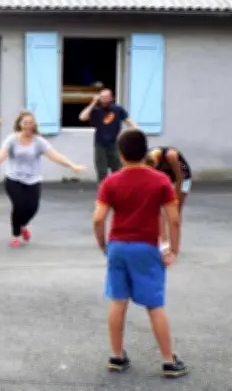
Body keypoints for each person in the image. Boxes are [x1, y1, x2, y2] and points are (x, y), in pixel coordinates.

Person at [92, 129, 187, 378]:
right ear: (145, 152)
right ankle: (168, 360)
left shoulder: (111, 182)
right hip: (146, 247)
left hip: (119, 246)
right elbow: (174, 220)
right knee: (155, 305)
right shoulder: (160, 181)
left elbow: (99, 218)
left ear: (120, 154)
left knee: (118, 301)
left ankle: (117, 356)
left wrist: (103, 244)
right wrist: (173, 250)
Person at [0, 111, 86, 247]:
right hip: (14, 178)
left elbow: (54, 155)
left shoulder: (39, 141)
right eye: (25, 123)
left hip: (33, 179)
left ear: (34, 125)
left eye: (30, 123)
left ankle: (23, 226)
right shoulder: (12, 139)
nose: (28, 126)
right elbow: (1, 155)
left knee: (32, 207)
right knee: (19, 205)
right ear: (20, 124)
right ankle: (16, 235)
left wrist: (72, 165)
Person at [78, 89, 135, 182]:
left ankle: (119, 191)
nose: (104, 100)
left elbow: (128, 121)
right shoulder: (96, 110)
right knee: (101, 171)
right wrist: (93, 103)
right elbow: (82, 117)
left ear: (111, 98)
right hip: (100, 144)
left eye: (106, 98)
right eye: (102, 97)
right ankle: (103, 192)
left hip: (115, 144)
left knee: (118, 170)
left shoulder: (117, 109)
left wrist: (137, 131)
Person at [146, 146, 191, 244]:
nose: (153, 170)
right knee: (158, 208)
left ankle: (174, 240)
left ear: (156, 161)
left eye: (154, 167)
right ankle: (163, 239)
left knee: (175, 211)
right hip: (166, 178)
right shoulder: (147, 159)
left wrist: (175, 199)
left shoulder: (171, 155)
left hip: (182, 177)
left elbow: (180, 178)